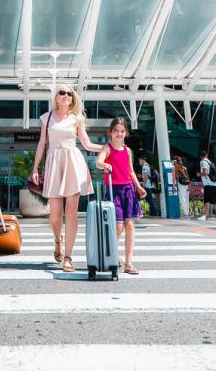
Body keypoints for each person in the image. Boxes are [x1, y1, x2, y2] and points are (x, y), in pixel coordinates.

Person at [30, 85, 103, 273]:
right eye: (62, 92)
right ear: (56, 97)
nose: (66, 95)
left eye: (69, 93)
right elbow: (41, 144)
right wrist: (35, 168)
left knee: (71, 212)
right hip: (54, 162)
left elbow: (86, 144)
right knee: (55, 215)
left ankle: (68, 257)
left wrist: (106, 148)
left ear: (73, 97)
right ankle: (57, 239)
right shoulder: (47, 118)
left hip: (73, 162)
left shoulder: (76, 118)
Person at [96, 117, 146, 275]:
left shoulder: (127, 150)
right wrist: (105, 165)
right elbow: (98, 162)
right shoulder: (107, 148)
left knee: (129, 225)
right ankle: (109, 255)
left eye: (122, 131)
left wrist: (138, 187)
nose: (119, 133)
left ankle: (128, 262)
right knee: (117, 226)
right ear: (110, 132)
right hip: (113, 190)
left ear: (126, 133)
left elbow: (131, 171)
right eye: (116, 130)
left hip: (128, 190)